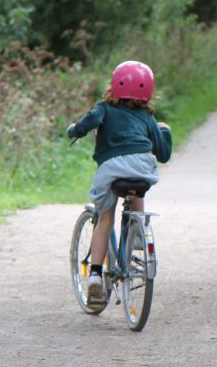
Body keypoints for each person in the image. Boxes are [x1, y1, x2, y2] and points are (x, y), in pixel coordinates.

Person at [67, 60, 173, 310]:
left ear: (114, 86)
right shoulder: (147, 117)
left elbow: (85, 124)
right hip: (142, 168)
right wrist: (164, 131)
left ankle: (94, 274)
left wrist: (75, 130)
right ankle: (137, 233)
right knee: (137, 187)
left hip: (111, 169)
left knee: (105, 217)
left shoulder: (104, 108)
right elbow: (163, 153)